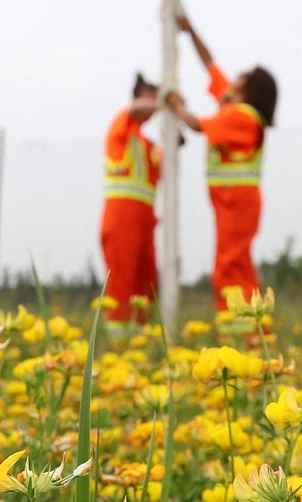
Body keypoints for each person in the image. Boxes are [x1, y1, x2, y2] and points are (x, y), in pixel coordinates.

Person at [166, 16, 278, 316]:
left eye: (245, 74)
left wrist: (175, 104)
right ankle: (249, 331)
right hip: (232, 202)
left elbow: (197, 125)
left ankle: (241, 331)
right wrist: (191, 31)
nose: (237, 75)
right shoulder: (234, 107)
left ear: (250, 88)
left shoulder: (241, 116)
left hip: (237, 203)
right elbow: (210, 64)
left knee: (229, 267)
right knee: (235, 264)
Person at [99, 73, 162, 339]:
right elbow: (136, 109)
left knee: (147, 285)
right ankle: (120, 343)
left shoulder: (147, 144)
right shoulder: (122, 125)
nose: (155, 101)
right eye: (152, 94)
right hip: (121, 219)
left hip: (145, 222)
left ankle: (141, 341)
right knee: (122, 283)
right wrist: (167, 105)